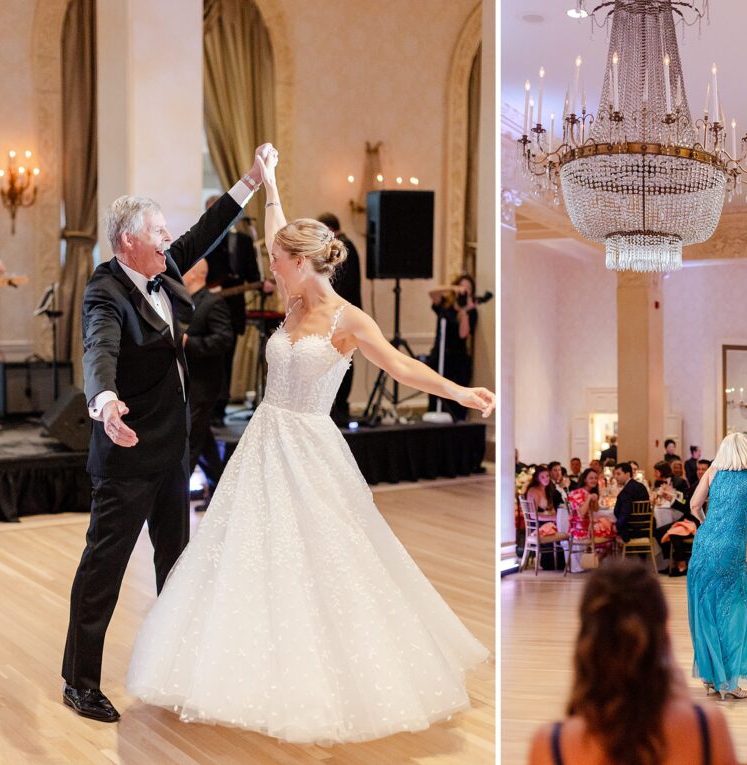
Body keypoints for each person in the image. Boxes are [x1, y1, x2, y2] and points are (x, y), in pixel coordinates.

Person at [125, 147, 496, 743]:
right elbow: (277, 228)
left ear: (301, 263)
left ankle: (330, 677)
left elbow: (401, 367)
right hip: (265, 440)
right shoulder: (296, 296)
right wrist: (269, 183)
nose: (271, 271)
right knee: (246, 556)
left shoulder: (347, 320)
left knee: (325, 560)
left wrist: (460, 390)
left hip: (312, 447)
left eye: (277, 263)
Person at [61, 146, 272, 723]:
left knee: (176, 568)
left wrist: (250, 181)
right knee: (103, 570)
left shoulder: (165, 268)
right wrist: (104, 403)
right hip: (126, 452)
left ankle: (177, 670)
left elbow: (206, 229)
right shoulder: (105, 290)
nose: (167, 238)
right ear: (128, 240)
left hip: (172, 452)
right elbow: (97, 350)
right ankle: (79, 682)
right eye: (157, 232)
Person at [528, 561, 738, 765]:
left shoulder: (552, 744)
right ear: (663, 633)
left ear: (586, 636)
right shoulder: (706, 728)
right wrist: (678, 692)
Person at [686, 433, 747, 699]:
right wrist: (746, 526)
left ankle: (711, 677)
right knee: (734, 614)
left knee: (705, 612)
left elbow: (694, 505)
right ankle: (730, 682)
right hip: (730, 551)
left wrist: (706, 523)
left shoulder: (713, 472)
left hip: (703, 546)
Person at [203, 196, 268, 425]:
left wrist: (263, 285)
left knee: (228, 358)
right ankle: (207, 408)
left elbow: (254, 277)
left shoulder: (241, 241)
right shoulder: (201, 240)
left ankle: (221, 408)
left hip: (234, 309)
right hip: (207, 309)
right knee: (209, 360)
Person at [182, 259, 235, 501]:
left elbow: (223, 340)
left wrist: (188, 343)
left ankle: (174, 496)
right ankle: (221, 493)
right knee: (204, 440)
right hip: (186, 382)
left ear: (195, 274)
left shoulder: (213, 303)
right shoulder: (183, 302)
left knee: (191, 439)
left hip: (204, 384)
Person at [317, 212, 362, 425]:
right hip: (339, 314)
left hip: (343, 315)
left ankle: (341, 407)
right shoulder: (342, 247)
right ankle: (336, 406)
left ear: (330, 230)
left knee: (343, 362)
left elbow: (342, 284)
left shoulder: (346, 249)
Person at [427, 274, 478, 421]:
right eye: (462, 287)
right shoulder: (445, 305)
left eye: (468, 289)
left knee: (456, 405)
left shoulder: (471, 311)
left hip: (458, 361)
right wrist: (453, 288)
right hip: (440, 357)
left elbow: (463, 334)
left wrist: (465, 312)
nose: (464, 291)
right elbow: (432, 293)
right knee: (436, 398)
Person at [612, 462, 651, 543]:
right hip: (645, 526)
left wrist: (617, 526)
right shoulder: (637, 485)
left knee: (607, 526)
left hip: (634, 529)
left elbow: (625, 511)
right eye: (615, 474)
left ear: (628, 474)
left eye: (618, 474)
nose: (615, 477)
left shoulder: (628, 489)